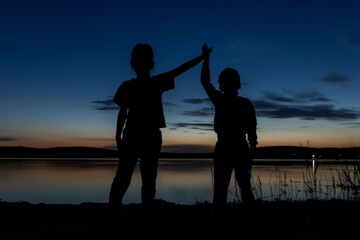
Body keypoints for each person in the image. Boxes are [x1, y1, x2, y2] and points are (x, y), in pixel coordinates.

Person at [109, 43, 210, 218]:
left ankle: (115, 213)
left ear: (132, 64)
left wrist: (118, 137)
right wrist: (203, 58)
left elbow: (122, 113)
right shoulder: (154, 82)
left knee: (124, 177)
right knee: (145, 179)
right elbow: (181, 69)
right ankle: (143, 214)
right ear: (151, 64)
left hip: (136, 134)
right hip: (147, 135)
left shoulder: (129, 85)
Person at [200, 44, 257, 221]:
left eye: (221, 81)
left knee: (222, 186)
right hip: (239, 147)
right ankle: (247, 215)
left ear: (223, 84)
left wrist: (206, 59)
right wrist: (251, 153)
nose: (219, 84)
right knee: (243, 185)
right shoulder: (244, 103)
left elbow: (205, 81)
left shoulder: (221, 100)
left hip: (226, 146)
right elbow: (252, 132)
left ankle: (219, 215)